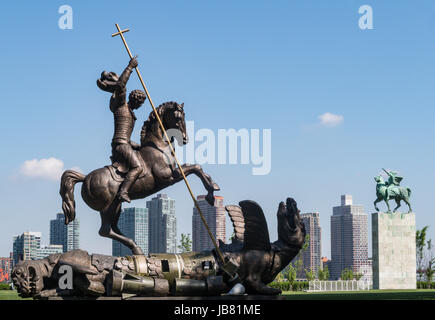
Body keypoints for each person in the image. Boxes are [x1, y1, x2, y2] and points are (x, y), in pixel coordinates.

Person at [97, 57, 147, 203]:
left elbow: (126, 136)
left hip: (125, 143)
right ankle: (123, 192)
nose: (140, 105)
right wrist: (130, 67)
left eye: (141, 103)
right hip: (120, 145)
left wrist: (138, 145)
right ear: (133, 99)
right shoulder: (120, 105)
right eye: (139, 102)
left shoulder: (131, 113)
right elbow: (121, 86)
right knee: (137, 167)